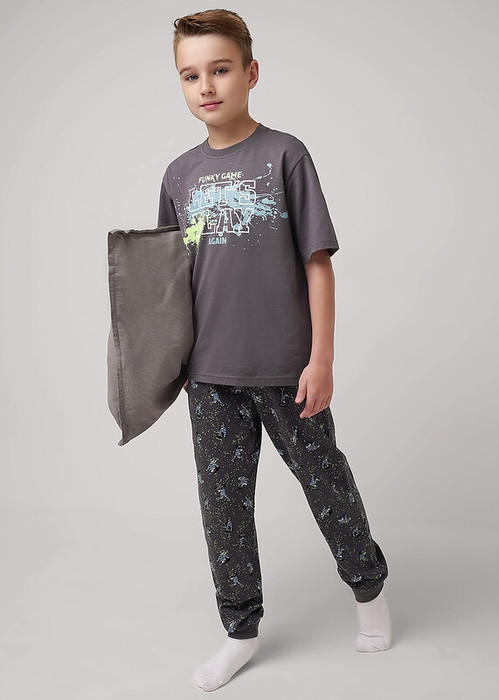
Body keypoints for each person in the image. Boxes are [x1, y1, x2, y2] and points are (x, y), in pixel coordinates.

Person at [157, 9, 392, 692]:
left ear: (251, 73)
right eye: (190, 75)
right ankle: (239, 632)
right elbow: (170, 277)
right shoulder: (179, 175)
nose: (206, 86)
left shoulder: (285, 155)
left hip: (288, 370)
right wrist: (168, 363)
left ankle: (369, 593)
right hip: (210, 374)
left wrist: (320, 359)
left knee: (327, 484)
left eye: (220, 69)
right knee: (223, 510)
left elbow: (318, 263)